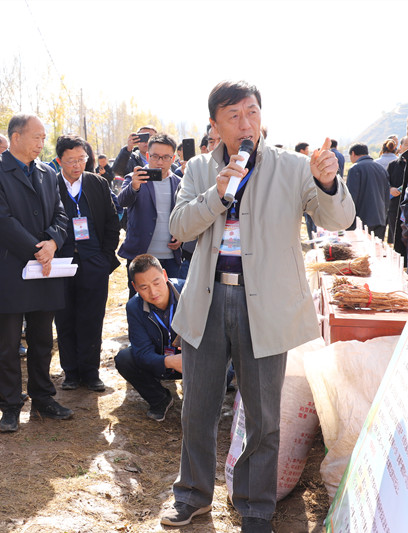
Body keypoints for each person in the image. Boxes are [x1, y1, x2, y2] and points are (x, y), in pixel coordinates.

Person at [162, 81, 355, 531]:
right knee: (199, 408)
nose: (245, 123)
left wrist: (328, 182)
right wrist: (218, 192)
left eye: (252, 112)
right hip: (206, 301)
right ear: (214, 125)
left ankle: (255, 506)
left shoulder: (291, 166)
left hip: (265, 305)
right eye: (233, 116)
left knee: (264, 416)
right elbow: (180, 226)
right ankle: (192, 495)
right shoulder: (197, 168)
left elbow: (336, 219)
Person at [0, 113, 71, 433]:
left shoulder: (47, 172)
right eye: (37, 137)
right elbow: (1, 222)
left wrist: (53, 242)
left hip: (44, 267)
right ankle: (10, 404)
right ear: (15, 138)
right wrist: (37, 249)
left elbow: (61, 213)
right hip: (11, 269)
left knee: (43, 338)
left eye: (44, 138)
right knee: (7, 343)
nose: (42, 144)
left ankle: (43, 397)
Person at [53, 135, 120, 392]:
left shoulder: (97, 183)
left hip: (94, 261)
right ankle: (70, 372)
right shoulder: (50, 184)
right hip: (62, 262)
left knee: (92, 318)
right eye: (71, 160)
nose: (77, 165)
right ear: (59, 161)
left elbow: (112, 222)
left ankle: (91, 372)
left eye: (82, 159)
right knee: (65, 317)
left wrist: (104, 257)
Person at [114, 255, 183, 421]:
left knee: (226, 370)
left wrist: (193, 360)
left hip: (192, 361)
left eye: (157, 282)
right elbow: (142, 353)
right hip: (161, 363)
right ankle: (160, 399)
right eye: (144, 287)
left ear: (165, 275)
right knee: (125, 359)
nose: (153, 292)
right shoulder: (134, 307)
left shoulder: (189, 292)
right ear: (135, 287)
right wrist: (169, 362)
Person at [118, 133, 183, 286]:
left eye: (166, 157)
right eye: (155, 156)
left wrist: (182, 235)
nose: (160, 162)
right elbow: (122, 201)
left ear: (173, 159)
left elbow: (185, 214)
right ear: (147, 156)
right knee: (140, 303)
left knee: (172, 300)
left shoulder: (180, 183)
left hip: (171, 257)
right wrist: (134, 186)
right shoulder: (134, 178)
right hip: (141, 255)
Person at [347, 142, 390, 239]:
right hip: (380, 217)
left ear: (353, 153)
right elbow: (387, 195)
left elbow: (352, 197)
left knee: (362, 251)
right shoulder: (381, 168)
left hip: (362, 220)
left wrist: (349, 221)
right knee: (377, 250)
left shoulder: (355, 168)